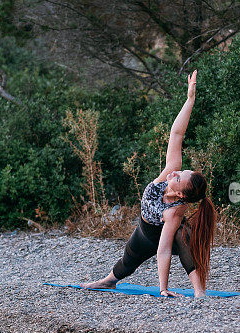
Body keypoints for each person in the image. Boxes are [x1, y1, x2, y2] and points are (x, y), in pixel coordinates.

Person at [83, 70, 217, 298]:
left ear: (182, 195)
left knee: (183, 237)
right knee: (126, 264)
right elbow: (176, 133)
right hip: (143, 232)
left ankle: (199, 291)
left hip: (162, 237)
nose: (174, 172)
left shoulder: (175, 212)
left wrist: (163, 289)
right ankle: (108, 281)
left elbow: (163, 250)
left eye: (178, 177)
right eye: (180, 171)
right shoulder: (169, 172)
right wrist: (190, 99)